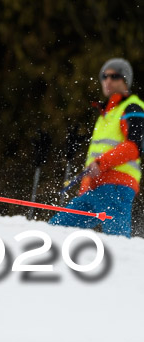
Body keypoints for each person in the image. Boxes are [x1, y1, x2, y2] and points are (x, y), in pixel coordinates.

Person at [49, 58, 143, 237]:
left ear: (125, 80)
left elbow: (133, 147)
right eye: (104, 76)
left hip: (117, 187)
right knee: (55, 231)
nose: (107, 80)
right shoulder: (105, 114)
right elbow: (96, 157)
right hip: (96, 188)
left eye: (114, 76)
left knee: (118, 244)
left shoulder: (133, 107)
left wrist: (101, 163)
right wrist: (86, 186)